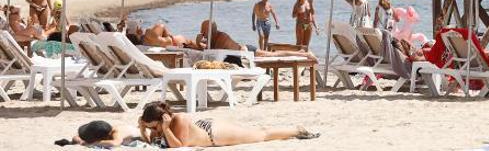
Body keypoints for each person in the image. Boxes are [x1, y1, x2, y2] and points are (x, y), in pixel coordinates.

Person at [138, 101, 318, 147]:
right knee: (257, 133)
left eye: (153, 126)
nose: (153, 131)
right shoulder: (160, 126)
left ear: (162, 120)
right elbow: (152, 143)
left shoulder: (178, 120)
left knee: (260, 135)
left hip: (213, 134)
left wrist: (167, 129)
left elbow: (179, 147)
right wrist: (142, 128)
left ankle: (296, 130)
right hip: (202, 127)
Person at [196, 20, 316, 60]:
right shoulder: (213, 39)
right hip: (244, 53)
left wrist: (199, 43)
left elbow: (214, 53)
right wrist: (199, 42)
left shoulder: (222, 37)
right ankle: (301, 53)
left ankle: (303, 54)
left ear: (211, 30)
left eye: (204, 31)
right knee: (273, 54)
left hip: (248, 52)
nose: (203, 33)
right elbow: (210, 52)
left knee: (273, 55)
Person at [55, 120, 142, 147]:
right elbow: (77, 137)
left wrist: (93, 143)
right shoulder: (107, 129)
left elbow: (115, 143)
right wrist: (81, 142)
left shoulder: (117, 132)